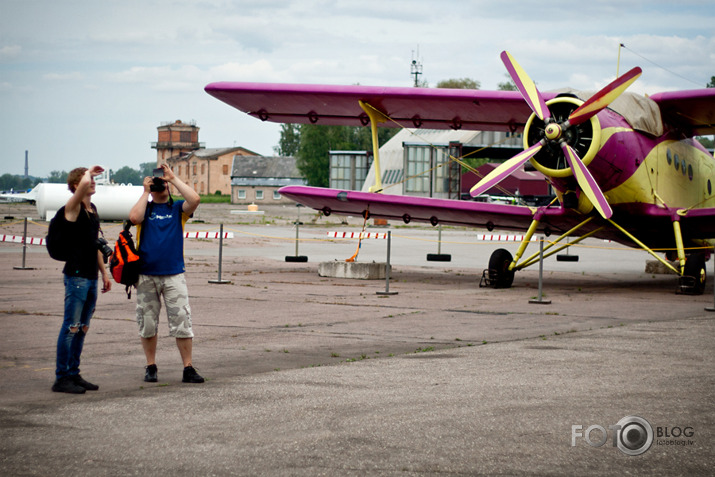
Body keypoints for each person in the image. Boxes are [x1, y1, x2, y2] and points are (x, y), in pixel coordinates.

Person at [128, 163, 204, 384]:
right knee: (148, 323)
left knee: (182, 321)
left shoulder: (177, 209)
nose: (160, 186)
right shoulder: (147, 209)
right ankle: (150, 365)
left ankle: (188, 367)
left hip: (173, 274)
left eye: (162, 184)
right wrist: (145, 192)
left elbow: (195, 200)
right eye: (157, 183)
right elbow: (134, 218)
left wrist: (173, 179)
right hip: (146, 275)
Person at [53, 165, 112, 394]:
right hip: (76, 276)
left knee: (82, 328)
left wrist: (104, 273)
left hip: (91, 277)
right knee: (71, 327)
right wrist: (88, 171)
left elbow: (95, 244)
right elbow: (81, 189)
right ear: (77, 186)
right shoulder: (73, 207)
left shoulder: (92, 209)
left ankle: (74, 373)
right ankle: (62, 378)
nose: (93, 183)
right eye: (88, 181)